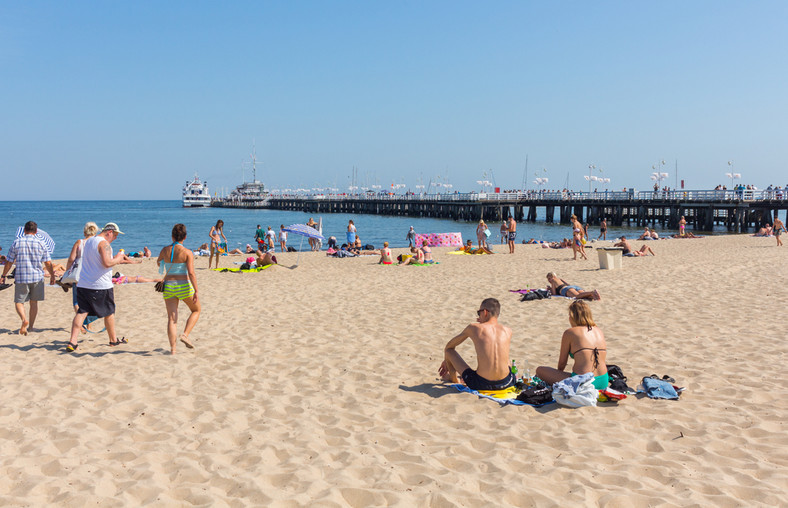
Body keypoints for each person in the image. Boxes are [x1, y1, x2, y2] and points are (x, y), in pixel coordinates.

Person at [65, 222, 141, 351]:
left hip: (84, 283)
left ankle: (72, 341)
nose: (116, 238)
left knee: (82, 311)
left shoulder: (88, 241)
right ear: (109, 232)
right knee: (109, 312)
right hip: (100, 285)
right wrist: (119, 257)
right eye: (115, 235)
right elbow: (107, 263)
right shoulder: (104, 243)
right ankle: (113, 340)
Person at [438, 298, 515, 391]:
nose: (478, 316)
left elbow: (449, 346)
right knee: (507, 358)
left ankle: (454, 380)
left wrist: (447, 360)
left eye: (479, 313)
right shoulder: (508, 330)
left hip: (481, 384)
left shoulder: (474, 327)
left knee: (449, 352)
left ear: (485, 312)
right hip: (507, 382)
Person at [535, 300, 609, 390]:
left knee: (540, 370)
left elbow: (562, 363)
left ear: (573, 317)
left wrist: (557, 375)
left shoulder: (570, 332)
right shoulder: (599, 331)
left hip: (582, 383)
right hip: (603, 381)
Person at [0, 221, 57, 335]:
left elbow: (9, 262)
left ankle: (23, 320)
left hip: (22, 277)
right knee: (34, 302)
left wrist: (3, 275)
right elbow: (48, 263)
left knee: (19, 302)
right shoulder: (41, 243)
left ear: (24, 231)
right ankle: (31, 326)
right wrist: (52, 276)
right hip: (37, 278)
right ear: (36, 232)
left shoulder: (17, 242)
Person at [157, 223, 200, 355]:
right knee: (196, 310)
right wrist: (196, 290)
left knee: (172, 319)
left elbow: (159, 262)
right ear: (185, 237)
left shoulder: (165, 250)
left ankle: (173, 350)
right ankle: (185, 335)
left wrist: (167, 263)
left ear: (172, 236)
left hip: (169, 286)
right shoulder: (187, 252)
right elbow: (191, 273)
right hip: (184, 286)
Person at [64, 221, 100, 314]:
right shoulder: (98, 243)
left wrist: (67, 270)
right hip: (93, 274)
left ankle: (81, 324)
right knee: (90, 300)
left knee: (76, 301)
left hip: (79, 274)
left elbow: (71, 259)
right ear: (95, 232)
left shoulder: (79, 242)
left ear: (84, 232)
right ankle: (89, 325)